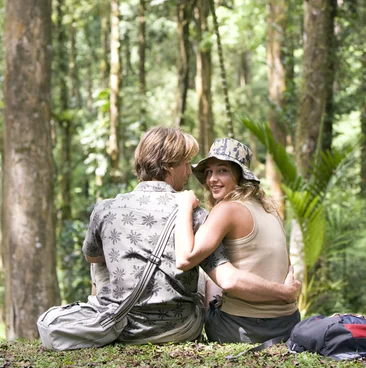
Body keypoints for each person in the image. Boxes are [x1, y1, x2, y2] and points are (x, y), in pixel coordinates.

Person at [83, 127, 300, 345]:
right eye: (187, 164)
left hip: (121, 327)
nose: (190, 173)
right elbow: (216, 272)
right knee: (212, 263)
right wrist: (285, 293)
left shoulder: (105, 208)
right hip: (180, 328)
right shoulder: (205, 214)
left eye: (221, 171)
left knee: (98, 257)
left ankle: (100, 315)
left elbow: (93, 259)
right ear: (169, 166)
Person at [175, 137, 301, 344]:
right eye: (209, 172)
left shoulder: (227, 209)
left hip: (245, 327)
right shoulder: (269, 209)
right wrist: (285, 293)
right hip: (288, 322)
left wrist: (184, 206)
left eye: (222, 170)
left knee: (202, 276)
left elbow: (185, 258)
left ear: (240, 175)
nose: (212, 179)